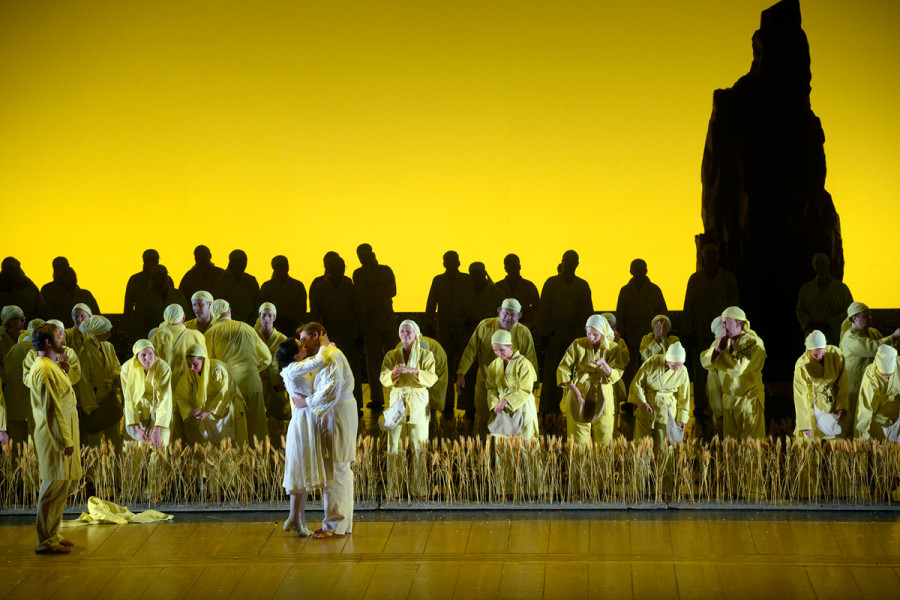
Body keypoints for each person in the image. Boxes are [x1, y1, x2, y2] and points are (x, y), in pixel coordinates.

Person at [283, 322, 358, 539]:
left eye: (305, 340)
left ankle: (335, 525)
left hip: (337, 414)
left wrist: (306, 402)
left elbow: (331, 390)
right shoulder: (326, 354)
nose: (303, 346)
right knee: (336, 467)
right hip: (333, 414)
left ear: (316, 335)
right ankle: (339, 523)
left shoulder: (332, 355)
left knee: (336, 468)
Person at [24, 324, 81, 554]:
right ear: (48, 342)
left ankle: (52, 533)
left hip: (62, 428)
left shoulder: (49, 365)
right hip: (55, 433)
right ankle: (45, 540)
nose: (62, 339)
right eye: (58, 336)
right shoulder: (44, 369)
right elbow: (52, 409)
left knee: (61, 484)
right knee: (52, 486)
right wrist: (63, 440)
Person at [456, 299, 538, 435]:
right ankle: (484, 451)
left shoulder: (523, 332)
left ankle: (506, 452)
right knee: (483, 417)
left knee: (514, 423)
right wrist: (461, 374)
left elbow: (531, 358)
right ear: (499, 312)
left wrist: (532, 384)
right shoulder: (485, 326)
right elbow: (470, 351)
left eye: (513, 315)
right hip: (487, 381)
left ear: (519, 317)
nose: (508, 318)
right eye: (506, 313)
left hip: (515, 387)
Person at [682, 244, 739, 428]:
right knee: (700, 369)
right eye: (708, 255)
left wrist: (736, 332)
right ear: (704, 258)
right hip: (700, 330)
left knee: (722, 368)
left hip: (724, 331)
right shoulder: (695, 279)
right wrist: (688, 331)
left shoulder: (728, 279)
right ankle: (700, 405)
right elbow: (688, 307)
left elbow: (735, 306)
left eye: (715, 254)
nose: (712, 258)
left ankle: (722, 404)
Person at [380, 320, 438, 498]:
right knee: (394, 447)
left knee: (419, 447)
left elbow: (432, 378)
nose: (405, 334)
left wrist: (414, 371)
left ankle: (419, 490)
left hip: (418, 403)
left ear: (416, 333)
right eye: (402, 331)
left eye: (408, 331)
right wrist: (394, 375)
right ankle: (394, 490)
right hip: (397, 401)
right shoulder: (392, 355)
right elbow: (383, 377)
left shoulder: (426, 355)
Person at [276, 338, 327, 537]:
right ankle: (296, 519)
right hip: (303, 422)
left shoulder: (297, 366)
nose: (306, 347)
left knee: (302, 471)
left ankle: (295, 519)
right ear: (296, 356)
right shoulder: (293, 369)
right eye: (302, 346)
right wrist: (326, 346)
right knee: (300, 470)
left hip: (308, 419)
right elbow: (318, 361)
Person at [204, 300, 272, 444]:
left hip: (230, 388)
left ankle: (241, 466)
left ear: (213, 314)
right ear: (229, 310)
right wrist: (253, 369)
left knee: (236, 433)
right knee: (258, 430)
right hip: (253, 383)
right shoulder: (247, 328)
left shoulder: (210, 333)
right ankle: (261, 465)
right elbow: (267, 358)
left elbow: (208, 365)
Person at [538, 250, 594, 414]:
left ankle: (576, 405)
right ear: (562, 262)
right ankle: (548, 407)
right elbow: (544, 310)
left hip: (576, 335)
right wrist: (543, 333)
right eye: (567, 261)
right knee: (552, 373)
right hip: (555, 335)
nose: (569, 264)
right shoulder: (551, 283)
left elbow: (589, 312)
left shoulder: (583, 285)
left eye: (573, 261)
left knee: (577, 372)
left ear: (577, 264)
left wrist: (591, 336)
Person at [557, 314, 626, 446]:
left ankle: (601, 467)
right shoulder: (578, 344)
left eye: (596, 335)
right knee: (578, 437)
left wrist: (604, 365)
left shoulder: (613, 348)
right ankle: (581, 466)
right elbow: (563, 368)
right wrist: (574, 390)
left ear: (603, 332)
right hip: (580, 389)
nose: (592, 338)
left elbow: (617, 372)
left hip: (603, 390)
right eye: (589, 334)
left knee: (604, 435)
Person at [308, 255, 364, 409]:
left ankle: (355, 403)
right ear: (329, 269)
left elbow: (359, 312)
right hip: (329, 335)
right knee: (328, 370)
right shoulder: (320, 288)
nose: (339, 271)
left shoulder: (351, 288)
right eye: (335, 268)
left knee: (351, 369)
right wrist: (315, 337)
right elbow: (315, 313)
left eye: (341, 267)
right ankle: (329, 401)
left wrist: (360, 334)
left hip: (349, 334)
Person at [840, 302, 900, 435]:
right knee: (853, 420)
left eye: (870, 315)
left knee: (870, 419)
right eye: (865, 316)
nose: (869, 318)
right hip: (854, 387)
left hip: (870, 385)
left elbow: (885, 351)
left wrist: (895, 343)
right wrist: (893, 337)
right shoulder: (849, 337)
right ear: (854, 318)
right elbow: (871, 348)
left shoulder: (873, 332)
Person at [708, 307, 767, 440]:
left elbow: (737, 367)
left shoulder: (753, 342)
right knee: (732, 451)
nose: (723, 327)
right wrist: (718, 347)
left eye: (726, 323)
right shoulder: (725, 341)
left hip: (749, 403)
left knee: (751, 450)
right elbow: (706, 361)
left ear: (739, 323)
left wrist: (719, 351)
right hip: (730, 403)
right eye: (722, 323)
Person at [174, 344, 248, 446]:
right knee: (211, 447)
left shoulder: (217, 369)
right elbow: (180, 395)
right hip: (208, 411)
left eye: (195, 364)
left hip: (228, 406)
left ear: (203, 359)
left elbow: (224, 393)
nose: (191, 368)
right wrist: (188, 411)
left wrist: (210, 411)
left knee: (235, 442)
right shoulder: (189, 374)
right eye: (188, 364)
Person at [424, 251, 469, 418]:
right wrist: (428, 324)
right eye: (448, 261)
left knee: (463, 366)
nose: (450, 264)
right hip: (444, 327)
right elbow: (431, 303)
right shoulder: (440, 280)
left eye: (452, 261)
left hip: (463, 328)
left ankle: (464, 402)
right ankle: (448, 402)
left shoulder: (466, 279)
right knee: (446, 367)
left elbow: (431, 304)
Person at [353, 244, 397, 410]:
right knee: (373, 361)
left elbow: (392, 290)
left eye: (365, 256)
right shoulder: (358, 274)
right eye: (361, 256)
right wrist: (379, 290)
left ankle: (399, 394)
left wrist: (372, 292)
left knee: (395, 358)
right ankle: (377, 398)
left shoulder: (386, 271)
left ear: (372, 254)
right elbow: (360, 293)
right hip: (370, 321)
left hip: (386, 319)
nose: (363, 259)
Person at [615, 259, 667, 392]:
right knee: (630, 367)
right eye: (636, 269)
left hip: (651, 336)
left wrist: (661, 334)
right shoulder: (625, 291)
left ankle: (649, 396)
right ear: (631, 271)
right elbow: (620, 314)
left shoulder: (655, 290)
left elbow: (662, 315)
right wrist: (622, 335)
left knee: (650, 365)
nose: (638, 272)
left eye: (641, 269)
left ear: (646, 271)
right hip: (631, 335)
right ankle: (630, 398)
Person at [629, 342, 690, 450]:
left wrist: (682, 418)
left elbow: (684, 396)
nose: (677, 369)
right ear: (668, 360)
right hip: (648, 404)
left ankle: (663, 467)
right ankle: (641, 467)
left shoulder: (683, 371)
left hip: (667, 408)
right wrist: (642, 402)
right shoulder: (652, 362)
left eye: (681, 365)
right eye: (674, 366)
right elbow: (637, 383)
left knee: (664, 444)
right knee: (642, 443)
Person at [793, 330, 848, 440]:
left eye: (822, 353)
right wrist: (805, 424)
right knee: (808, 442)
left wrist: (841, 405)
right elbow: (800, 396)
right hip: (811, 406)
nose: (819, 357)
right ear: (808, 350)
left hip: (831, 402)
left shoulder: (836, 355)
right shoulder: (802, 366)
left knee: (836, 440)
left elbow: (843, 382)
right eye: (815, 355)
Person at [485, 329, 539, 440]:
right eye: (495, 350)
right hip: (501, 409)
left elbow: (525, 390)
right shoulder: (494, 365)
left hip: (522, 407)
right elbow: (491, 388)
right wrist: (495, 404)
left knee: (524, 443)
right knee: (502, 442)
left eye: (502, 350)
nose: (498, 354)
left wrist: (506, 401)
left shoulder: (524, 364)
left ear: (510, 345)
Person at [78, 315, 123, 450]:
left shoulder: (108, 347)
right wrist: (91, 408)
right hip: (94, 406)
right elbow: (84, 383)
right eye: (106, 332)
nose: (109, 335)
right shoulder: (85, 352)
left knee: (116, 444)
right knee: (94, 446)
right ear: (96, 332)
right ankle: (94, 471)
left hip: (109, 402)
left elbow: (116, 368)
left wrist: (119, 380)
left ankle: (117, 471)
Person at [120, 340, 173, 449]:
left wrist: (157, 429)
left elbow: (165, 398)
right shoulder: (126, 369)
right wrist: (137, 428)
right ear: (136, 357)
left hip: (159, 411)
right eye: (143, 355)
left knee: (160, 446)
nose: (147, 358)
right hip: (137, 412)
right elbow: (129, 399)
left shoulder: (163, 368)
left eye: (150, 354)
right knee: (133, 449)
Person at [796, 253, 853, 346]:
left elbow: (849, 310)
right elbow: (800, 310)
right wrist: (809, 323)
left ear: (828, 264)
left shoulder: (841, 289)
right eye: (817, 263)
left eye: (823, 262)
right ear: (814, 266)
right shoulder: (806, 289)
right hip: (812, 334)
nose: (820, 265)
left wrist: (830, 324)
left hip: (833, 335)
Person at [255, 302, 289, 447]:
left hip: (276, 384)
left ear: (274, 317)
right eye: (264, 315)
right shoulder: (253, 336)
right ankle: (259, 453)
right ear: (259, 316)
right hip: (257, 384)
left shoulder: (282, 339)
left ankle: (278, 451)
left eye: (270, 316)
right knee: (257, 420)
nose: (267, 319)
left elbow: (288, 364)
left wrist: (286, 382)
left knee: (278, 421)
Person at [131, 265, 191, 342]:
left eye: (164, 275)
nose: (162, 278)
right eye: (158, 275)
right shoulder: (144, 297)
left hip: (176, 338)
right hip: (153, 338)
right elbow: (139, 323)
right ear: (153, 278)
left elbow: (188, 317)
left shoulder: (177, 294)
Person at [123, 250, 172, 340]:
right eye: (151, 259)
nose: (154, 262)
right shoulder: (135, 280)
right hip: (143, 326)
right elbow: (128, 307)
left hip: (165, 328)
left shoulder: (167, 280)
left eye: (155, 259)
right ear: (145, 261)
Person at [855, 345, 899, 440]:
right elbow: (864, 407)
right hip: (877, 417)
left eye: (890, 375)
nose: (886, 378)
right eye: (883, 375)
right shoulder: (870, 374)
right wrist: (862, 438)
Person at [260, 256, 307, 338]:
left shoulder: (298, 285)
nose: (284, 267)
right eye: (281, 265)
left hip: (293, 329)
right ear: (274, 268)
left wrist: (288, 321)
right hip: (274, 328)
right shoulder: (267, 287)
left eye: (285, 264)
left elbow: (302, 308)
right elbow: (264, 308)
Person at [214, 250, 261, 325]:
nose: (243, 265)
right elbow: (221, 306)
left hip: (251, 324)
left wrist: (253, 320)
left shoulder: (251, 280)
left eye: (245, 262)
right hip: (230, 324)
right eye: (240, 262)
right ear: (232, 263)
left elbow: (258, 303)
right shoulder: (222, 282)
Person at [496, 254, 540, 331]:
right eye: (510, 266)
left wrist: (528, 323)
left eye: (514, 265)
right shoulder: (498, 287)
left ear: (519, 267)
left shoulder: (529, 286)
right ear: (505, 268)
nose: (512, 268)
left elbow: (537, 308)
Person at [700, 317, 727, 436]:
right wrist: (718, 410)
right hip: (721, 406)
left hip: (720, 405)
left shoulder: (720, 343)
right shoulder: (718, 345)